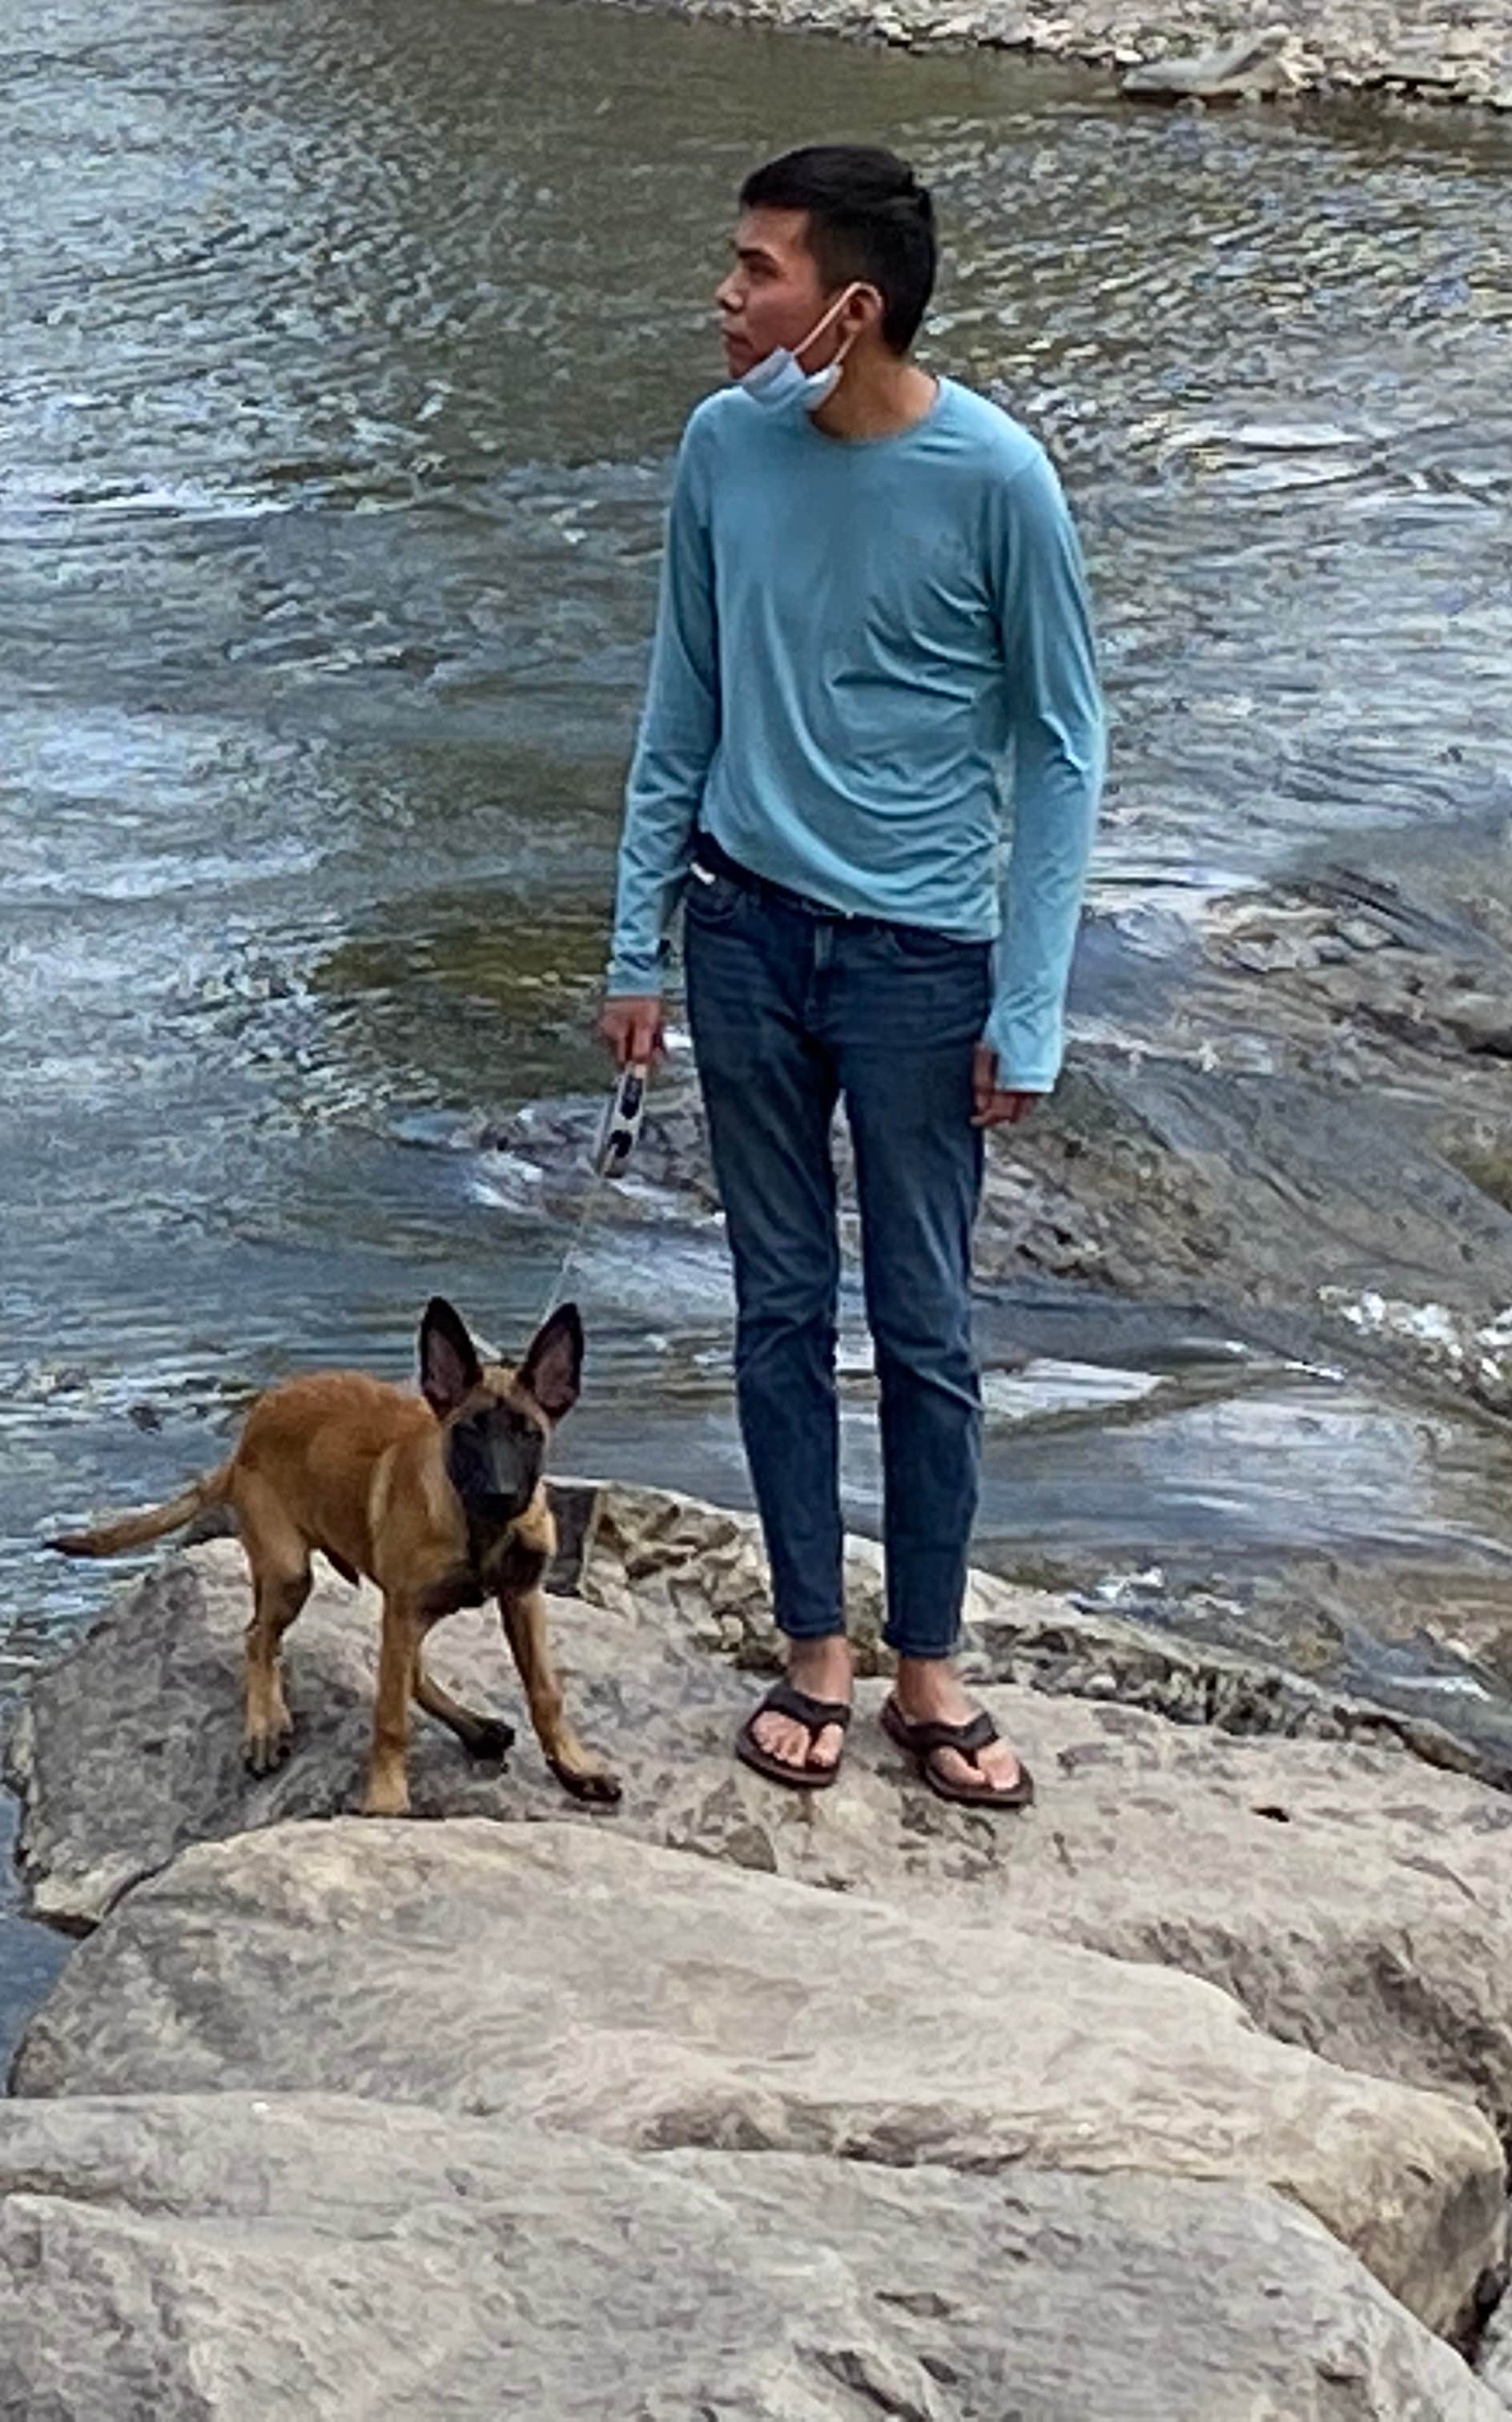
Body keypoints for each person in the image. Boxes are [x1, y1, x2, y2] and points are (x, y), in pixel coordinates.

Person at [596, 143, 1104, 1808]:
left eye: (759, 271)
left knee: (927, 1327)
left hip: (920, 964)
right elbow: (682, 699)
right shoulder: (719, 449)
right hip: (743, 932)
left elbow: (1063, 751)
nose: (724, 298)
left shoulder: (998, 481)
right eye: (732, 265)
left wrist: (1029, 1004)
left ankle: (928, 1668)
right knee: (774, 1309)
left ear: (852, 307)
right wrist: (636, 948)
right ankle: (812, 1646)